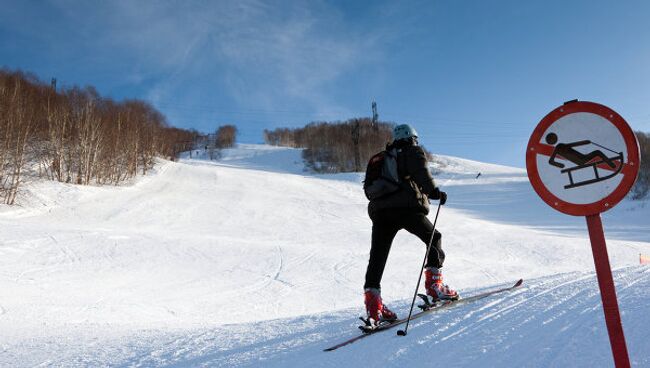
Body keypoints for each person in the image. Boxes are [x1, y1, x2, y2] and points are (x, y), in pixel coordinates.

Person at [363, 124, 458, 323]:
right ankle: (435, 287)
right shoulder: (411, 151)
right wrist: (434, 192)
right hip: (405, 208)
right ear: (412, 137)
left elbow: (369, 189)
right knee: (434, 238)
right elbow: (420, 171)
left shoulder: (381, 158)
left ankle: (374, 306)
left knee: (378, 255)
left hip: (380, 213)